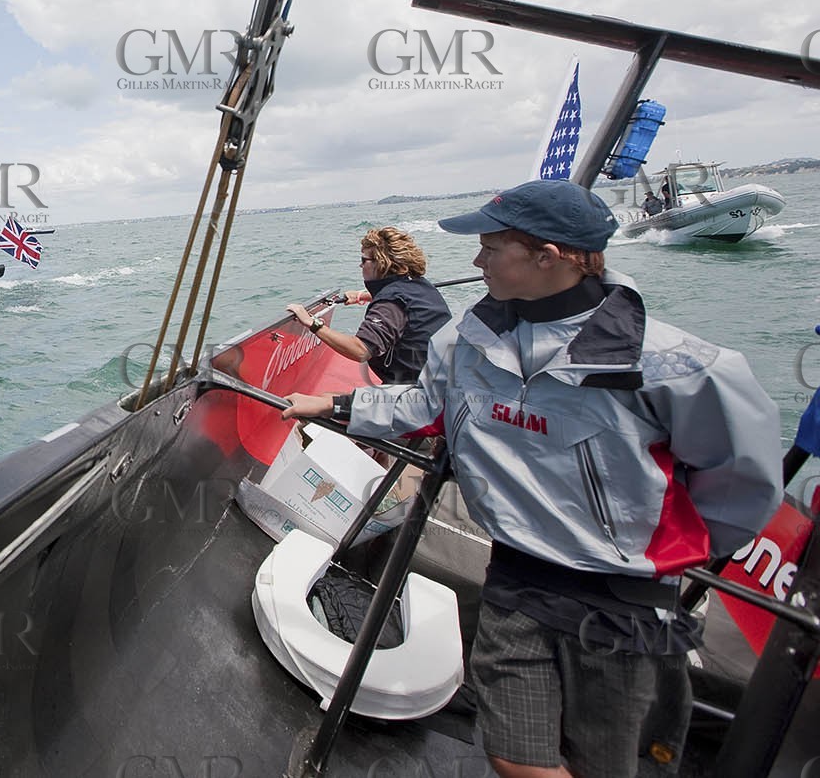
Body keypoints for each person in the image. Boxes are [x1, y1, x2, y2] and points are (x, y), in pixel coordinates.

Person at [278, 179, 782, 778]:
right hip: (515, 576)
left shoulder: (680, 368)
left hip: (621, 599)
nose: (476, 261)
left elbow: (741, 485)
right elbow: (419, 407)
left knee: (608, 761)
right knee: (515, 752)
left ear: (550, 256)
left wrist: (652, 548)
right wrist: (334, 407)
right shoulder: (465, 341)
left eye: (492, 248)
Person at [285, 227, 450, 385]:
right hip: (444, 378)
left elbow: (361, 350)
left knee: (319, 405)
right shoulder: (420, 285)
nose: (360, 265)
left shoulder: (390, 303)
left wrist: (312, 323)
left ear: (383, 263)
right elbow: (402, 300)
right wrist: (362, 296)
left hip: (417, 393)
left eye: (364, 260)